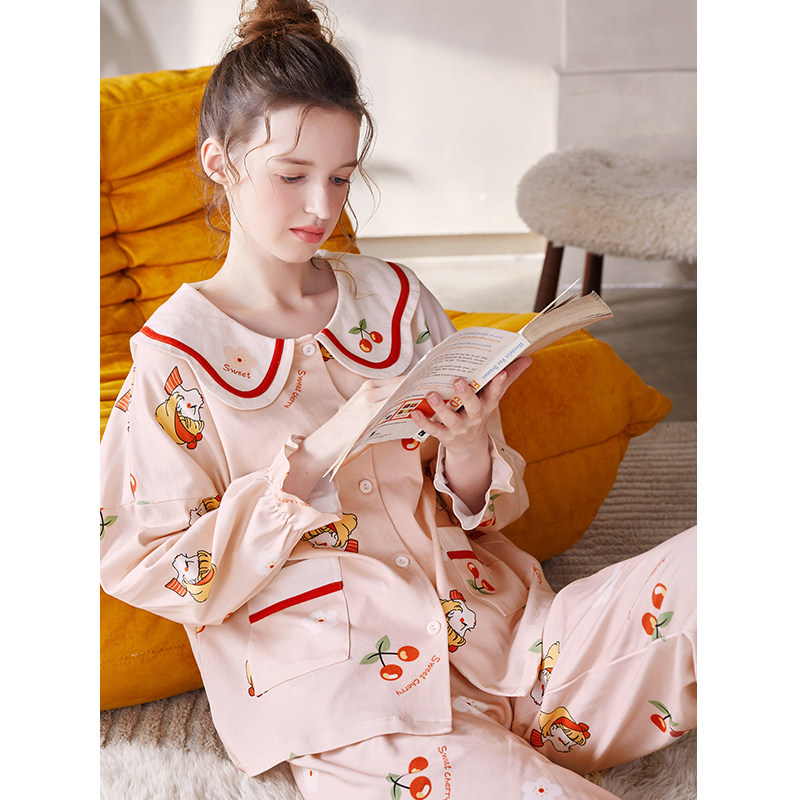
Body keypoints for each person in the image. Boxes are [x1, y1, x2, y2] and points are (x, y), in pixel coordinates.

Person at [99, 1, 697, 797]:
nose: (322, 208)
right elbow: (143, 562)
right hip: (359, 703)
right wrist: (304, 467)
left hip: (519, 648)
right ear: (219, 162)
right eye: (291, 176)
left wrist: (470, 444)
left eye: (340, 177)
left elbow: (484, 512)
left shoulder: (396, 300)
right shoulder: (177, 359)